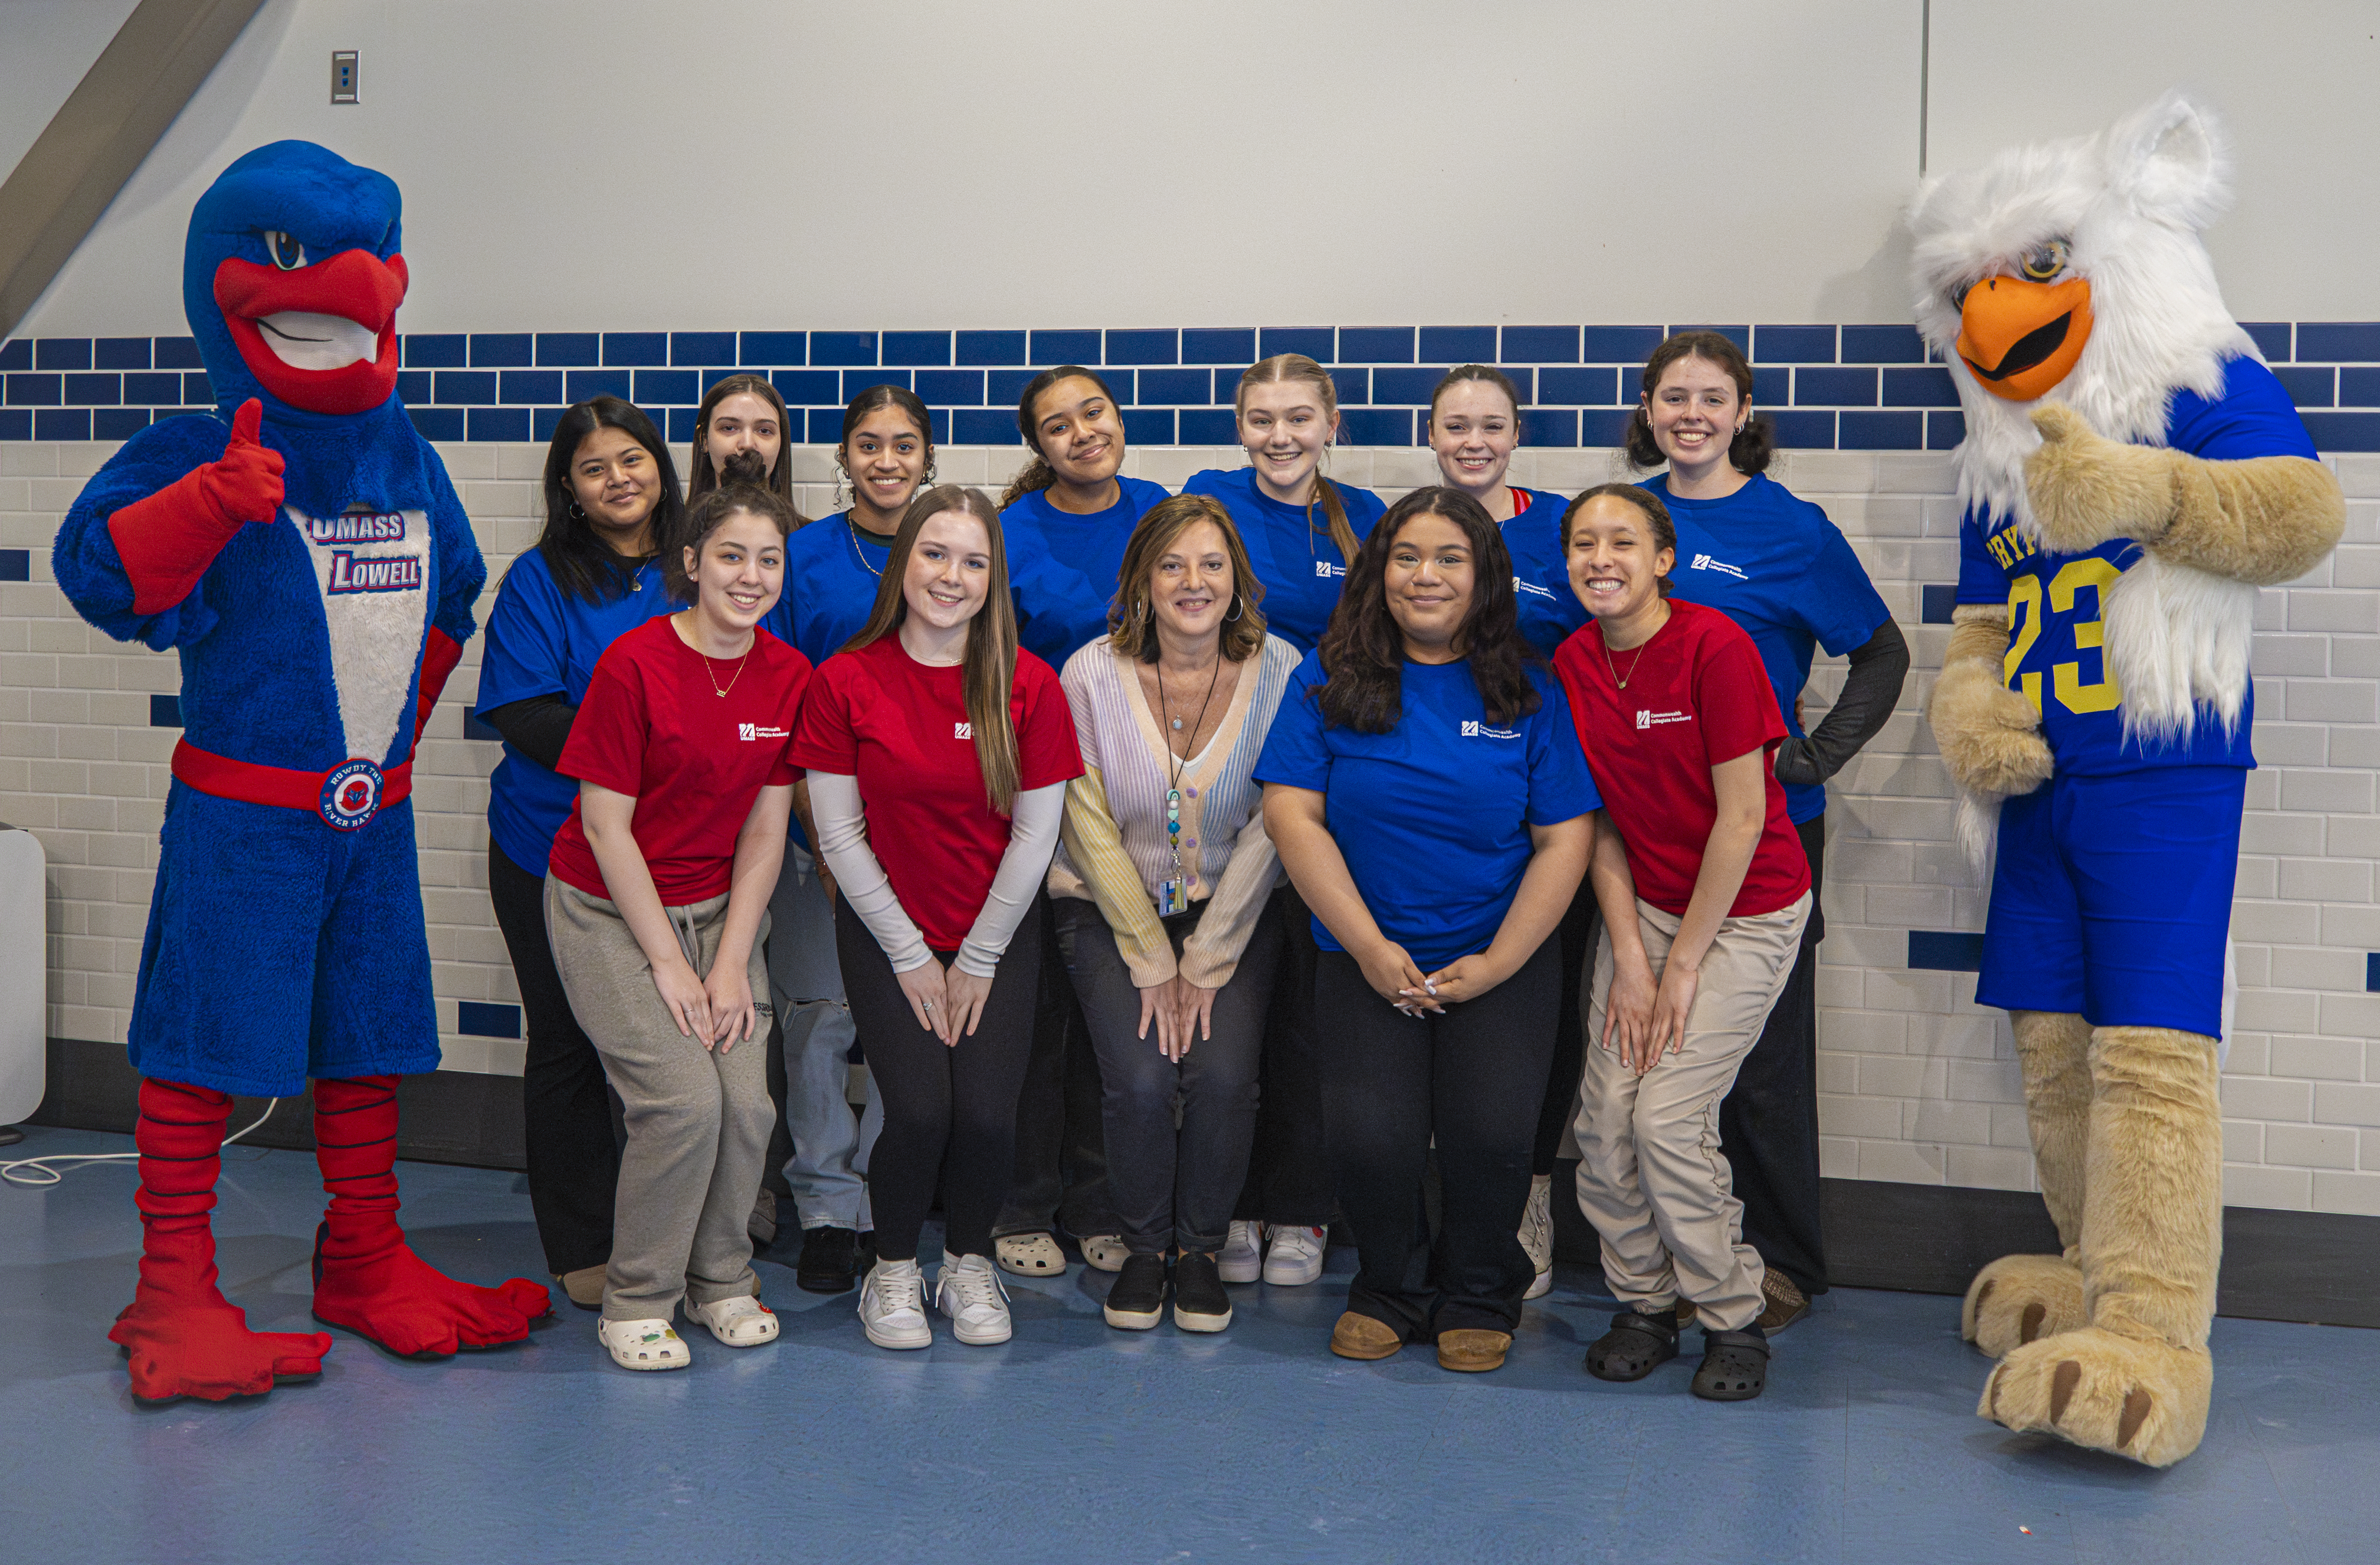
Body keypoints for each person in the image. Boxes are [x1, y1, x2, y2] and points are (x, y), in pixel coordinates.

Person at [1257, 487, 1596, 1373]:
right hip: (1363, 952)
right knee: (1373, 1137)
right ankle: (1387, 1285)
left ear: (1485, 575)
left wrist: (1500, 961)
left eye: (1450, 558)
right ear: (1379, 571)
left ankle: (1478, 1289)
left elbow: (1564, 837)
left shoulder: (1527, 686)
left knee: (1490, 1134)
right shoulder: (1327, 678)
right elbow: (1292, 815)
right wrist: (1369, 948)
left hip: (1499, 953)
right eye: (1407, 556)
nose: (1426, 575)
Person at [1624, 331, 1909, 1331]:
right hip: (1646, 833)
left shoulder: (1789, 529)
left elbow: (1879, 654)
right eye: (1671, 398)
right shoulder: (1627, 521)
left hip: (1765, 835)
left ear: (1741, 411)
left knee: (1760, 1058)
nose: (1689, 414)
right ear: (1648, 410)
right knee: (1648, 1045)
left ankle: (1779, 1259)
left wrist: (1812, 754)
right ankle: (1664, 1251)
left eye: (1710, 397)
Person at [792, 486, 1085, 1350]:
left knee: (989, 1117)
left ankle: (963, 1262)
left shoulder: (1026, 685)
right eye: (934, 554)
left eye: (972, 562)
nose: (949, 576)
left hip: (997, 933)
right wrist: (914, 956)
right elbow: (839, 838)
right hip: (889, 934)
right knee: (918, 1113)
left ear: (993, 580)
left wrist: (981, 957)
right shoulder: (845, 679)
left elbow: (1036, 839)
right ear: (902, 560)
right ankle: (889, 1271)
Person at [1552, 483, 1813, 1403]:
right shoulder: (1575, 661)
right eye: (1582, 543)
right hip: (1645, 908)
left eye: (1622, 541)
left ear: (1663, 558)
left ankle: (1731, 1313)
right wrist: (1629, 955)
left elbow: (1742, 819)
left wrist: (1683, 965)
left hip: (1744, 908)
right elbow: (1600, 825)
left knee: (1666, 1118)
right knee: (1603, 1119)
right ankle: (1644, 1302)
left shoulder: (1714, 645)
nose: (1599, 558)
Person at [543, 483, 809, 1371]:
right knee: (682, 1103)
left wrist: (731, 962)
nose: (751, 576)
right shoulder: (634, 664)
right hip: (610, 911)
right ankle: (637, 1300)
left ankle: (721, 1281)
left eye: (768, 560)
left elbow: (767, 834)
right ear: (690, 563)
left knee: (747, 1104)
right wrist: (667, 963)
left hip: (720, 914)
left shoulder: (788, 675)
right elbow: (603, 826)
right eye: (731, 556)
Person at [1048, 495, 1300, 1331]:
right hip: (1108, 912)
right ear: (1141, 582)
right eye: (1171, 565)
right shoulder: (1087, 673)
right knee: (1143, 1079)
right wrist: (1152, 955)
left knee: (1224, 1078)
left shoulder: (1282, 671)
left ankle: (1199, 1251)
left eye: (1211, 565)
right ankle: (1144, 1248)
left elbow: (1278, 823)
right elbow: (1083, 821)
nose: (1192, 583)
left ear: (1237, 581)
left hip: (1235, 912)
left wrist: (1206, 956)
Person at [1184, 353, 1388, 1288]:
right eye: (1261, 419)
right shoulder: (1208, 501)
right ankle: (1232, 1206)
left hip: (1319, 795)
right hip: (1216, 796)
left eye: (1298, 418)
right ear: (1239, 428)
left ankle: (1302, 1210)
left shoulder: (1363, 521)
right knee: (1233, 1014)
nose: (1280, 436)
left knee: (1308, 1018)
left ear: (1329, 424)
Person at [476, 397, 684, 1310]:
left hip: (683, 855)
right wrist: (655, 752)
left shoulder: (698, 563)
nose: (618, 480)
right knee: (567, 1045)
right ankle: (584, 1244)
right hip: (548, 849)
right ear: (568, 486)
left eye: (631, 460)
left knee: (675, 1051)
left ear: (659, 466)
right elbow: (521, 714)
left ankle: (677, 1237)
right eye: (595, 468)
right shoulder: (537, 579)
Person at [755, 384, 940, 1295]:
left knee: (903, 1021)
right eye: (868, 444)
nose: (886, 461)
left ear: (927, 457)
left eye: (904, 445)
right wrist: (822, 844)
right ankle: (826, 1206)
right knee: (821, 1021)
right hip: (814, 828)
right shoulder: (805, 556)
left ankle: (881, 1201)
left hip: (923, 835)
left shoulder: (947, 549)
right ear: (844, 457)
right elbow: (778, 695)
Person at [989, 366, 1171, 1282]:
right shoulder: (1008, 535)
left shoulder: (1161, 512)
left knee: (1116, 1016)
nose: (1081, 433)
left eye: (1092, 412)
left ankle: (1101, 1202)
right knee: (1041, 1019)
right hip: (1034, 794)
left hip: (1137, 799)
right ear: (1038, 446)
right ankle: (1023, 1204)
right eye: (1057, 425)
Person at [1425, 362, 1586, 1301]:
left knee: (1540, 1001)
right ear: (1432, 435)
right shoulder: (1397, 522)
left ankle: (1526, 1194)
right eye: (1456, 425)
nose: (1473, 440)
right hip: (1438, 797)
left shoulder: (1559, 528)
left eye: (1491, 424)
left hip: (1554, 791)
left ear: (1515, 433)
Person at [687, 373, 799, 510]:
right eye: (729, 428)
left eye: (764, 431)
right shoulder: (676, 531)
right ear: (704, 439)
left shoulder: (807, 532)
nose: (747, 444)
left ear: (782, 443)